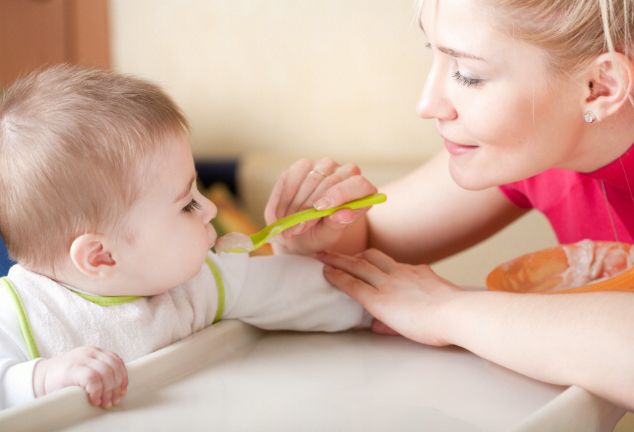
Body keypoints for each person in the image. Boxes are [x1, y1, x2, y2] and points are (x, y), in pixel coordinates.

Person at [263, 0, 634, 410]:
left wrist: (445, 311)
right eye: (434, 53)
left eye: (469, 75)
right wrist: (316, 232)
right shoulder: (540, 149)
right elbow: (366, 241)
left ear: (600, 87)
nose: (428, 105)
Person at [0, 65, 370, 410]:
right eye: (188, 205)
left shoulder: (200, 281)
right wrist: (39, 379)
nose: (210, 210)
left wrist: (375, 311)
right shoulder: (19, 312)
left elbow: (307, 292)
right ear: (101, 256)